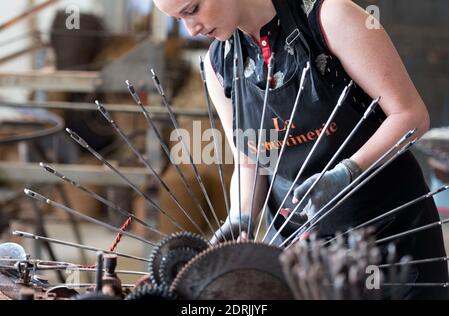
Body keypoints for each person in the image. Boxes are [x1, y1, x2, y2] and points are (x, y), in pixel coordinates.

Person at [153, 0, 449, 299]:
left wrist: (347, 173)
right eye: (179, 19)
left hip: (388, 233)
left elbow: (410, 116)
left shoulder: (329, 18)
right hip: (298, 248)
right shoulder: (220, 64)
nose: (191, 30)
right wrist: (241, 217)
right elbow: (252, 159)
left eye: (192, 10)